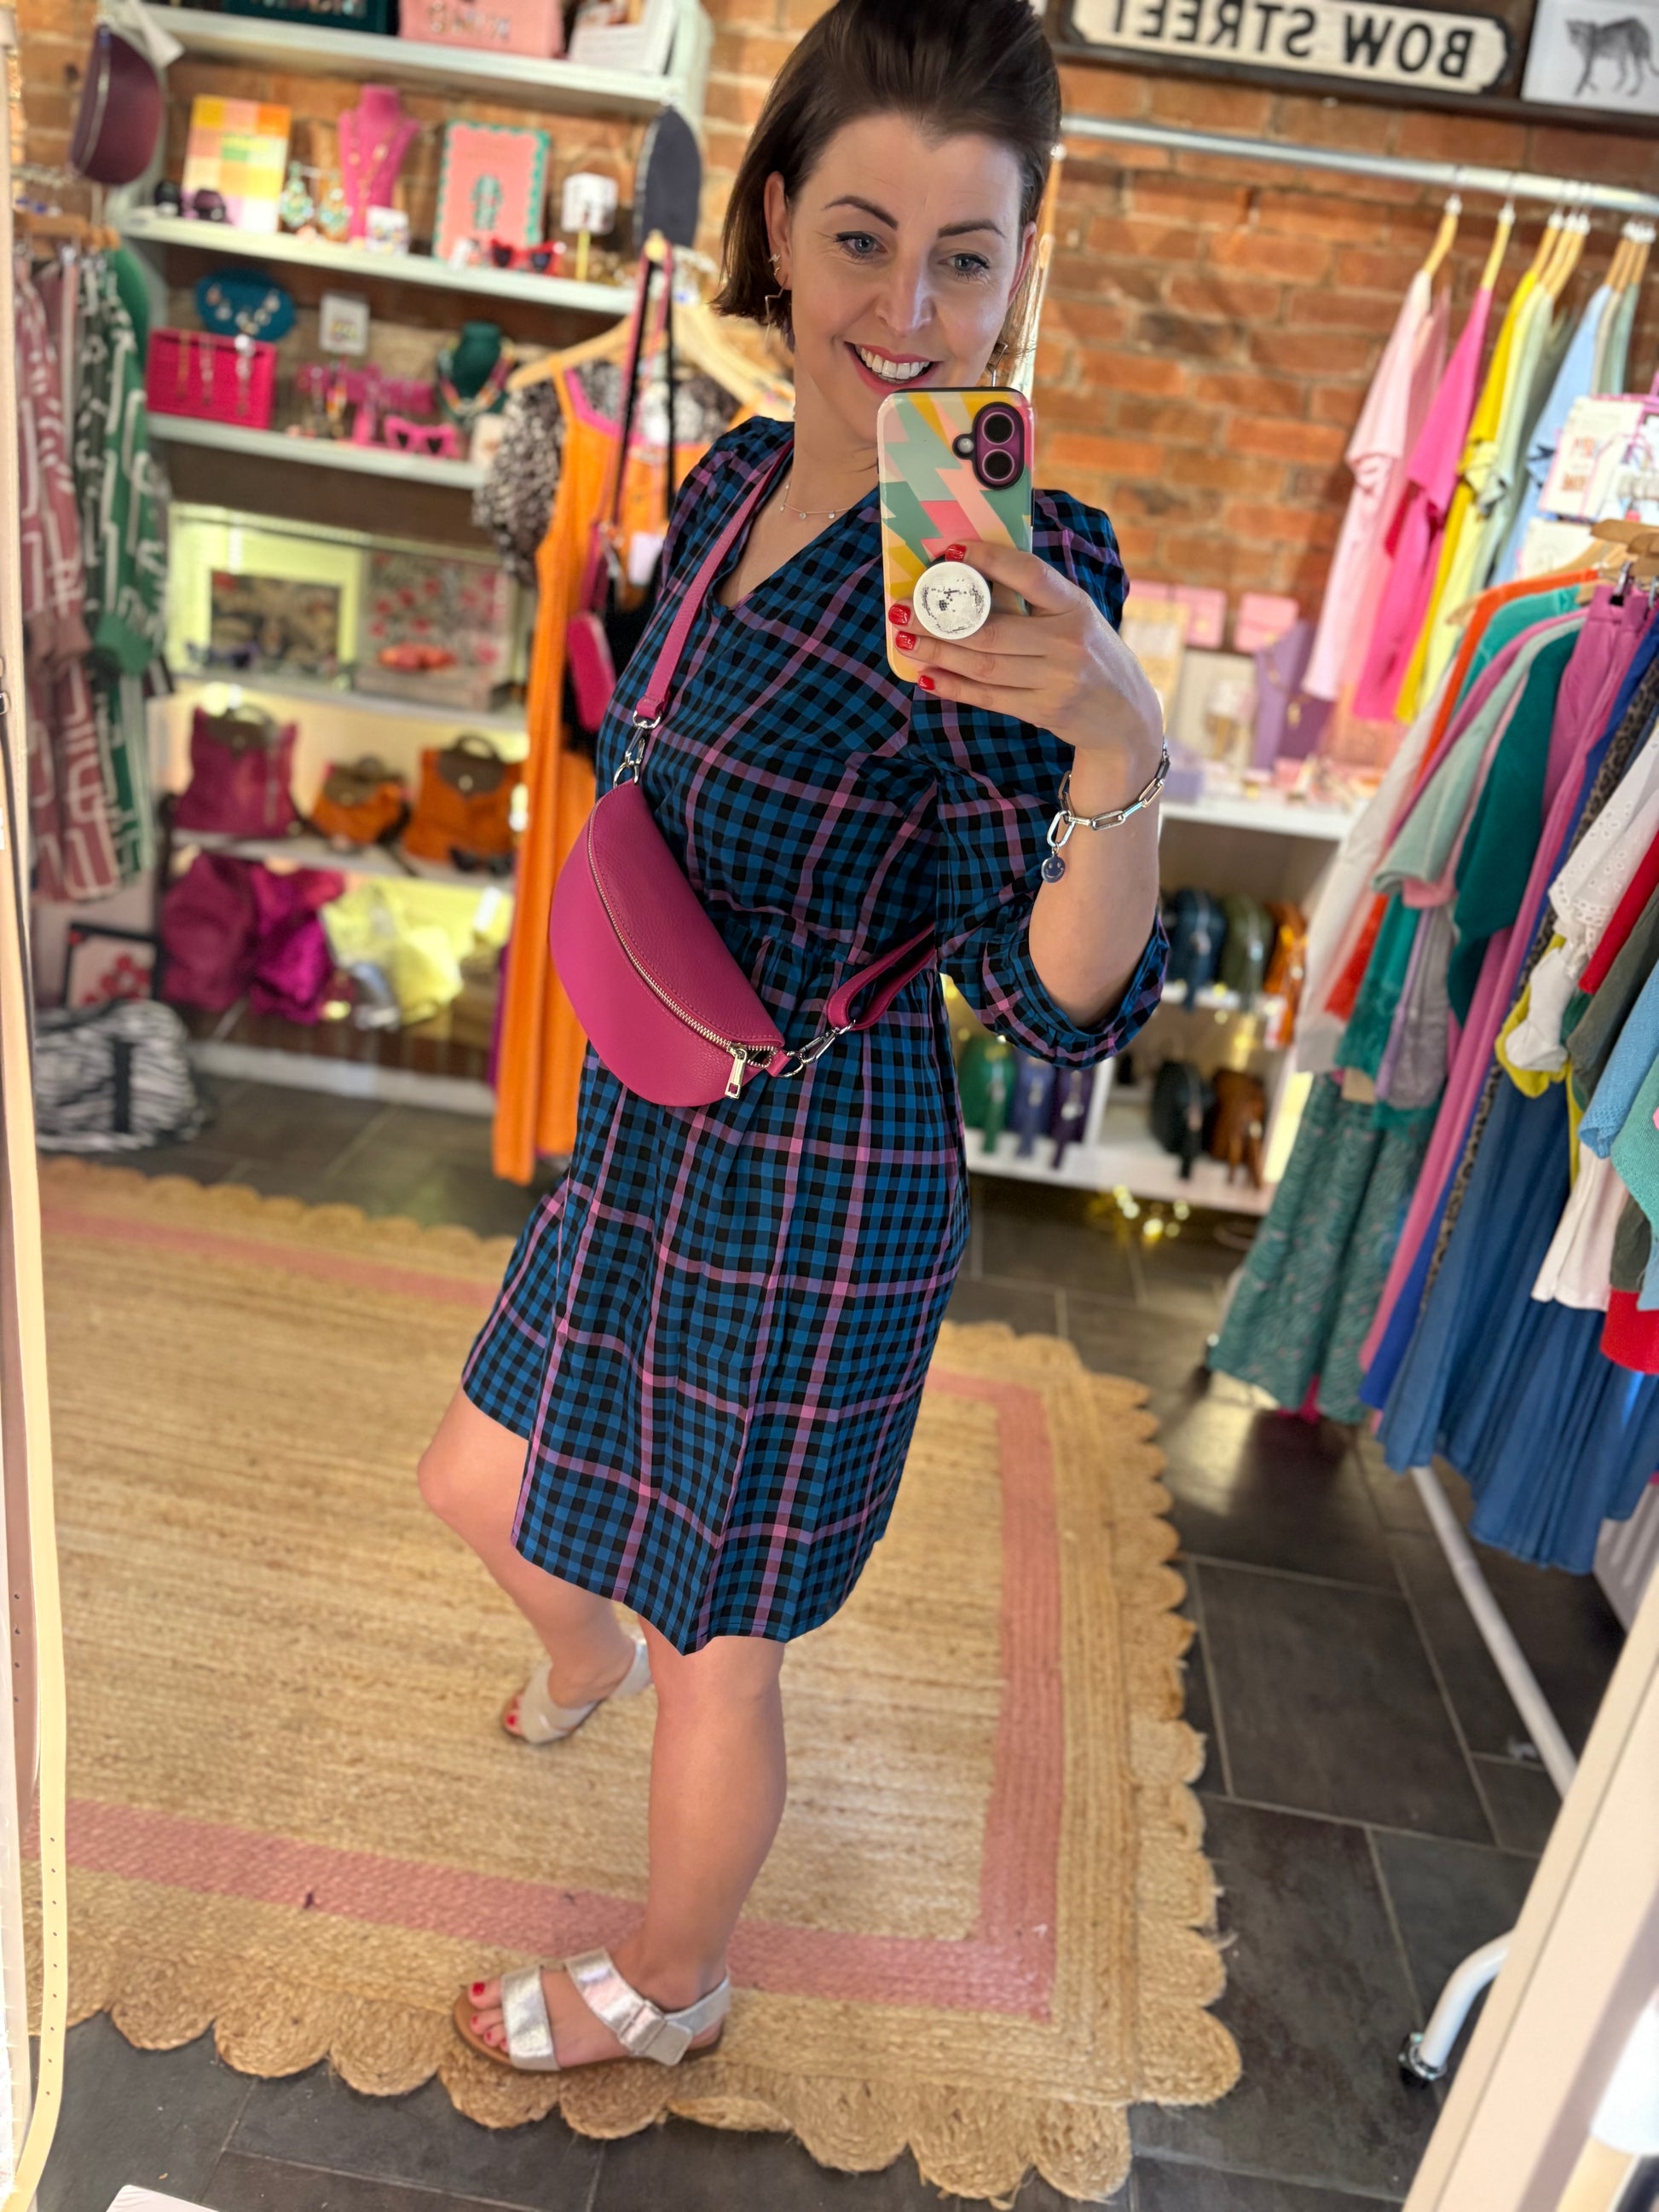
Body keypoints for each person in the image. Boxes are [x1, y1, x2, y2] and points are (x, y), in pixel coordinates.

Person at [419, 0, 1168, 2077]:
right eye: (859, 240)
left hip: (815, 1184)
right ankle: (587, 1646)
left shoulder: (1027, 573)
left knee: (713, 1651)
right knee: (477, 1477)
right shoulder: (745, 463)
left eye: (965, 255)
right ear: (773, 219)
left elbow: (1051, 1003)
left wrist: (1119, 738)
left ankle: (673, 1985)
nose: (908, 312)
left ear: (1023, 264)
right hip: (656, 1126)